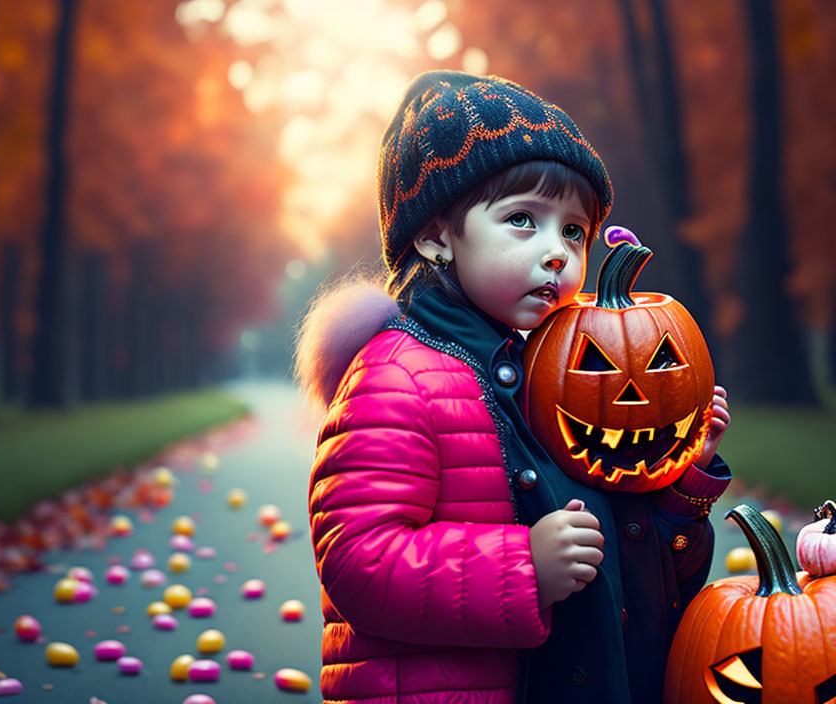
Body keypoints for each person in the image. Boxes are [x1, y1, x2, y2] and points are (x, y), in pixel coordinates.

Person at [295, 70, 731, 704]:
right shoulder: (397, 376)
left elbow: (645, 574)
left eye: (573, 230)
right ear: (435, 236)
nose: (557, 252)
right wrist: (525, 566)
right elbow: (358, 563)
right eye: (523, 219)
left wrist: (676, 471)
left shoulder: (556, 376)